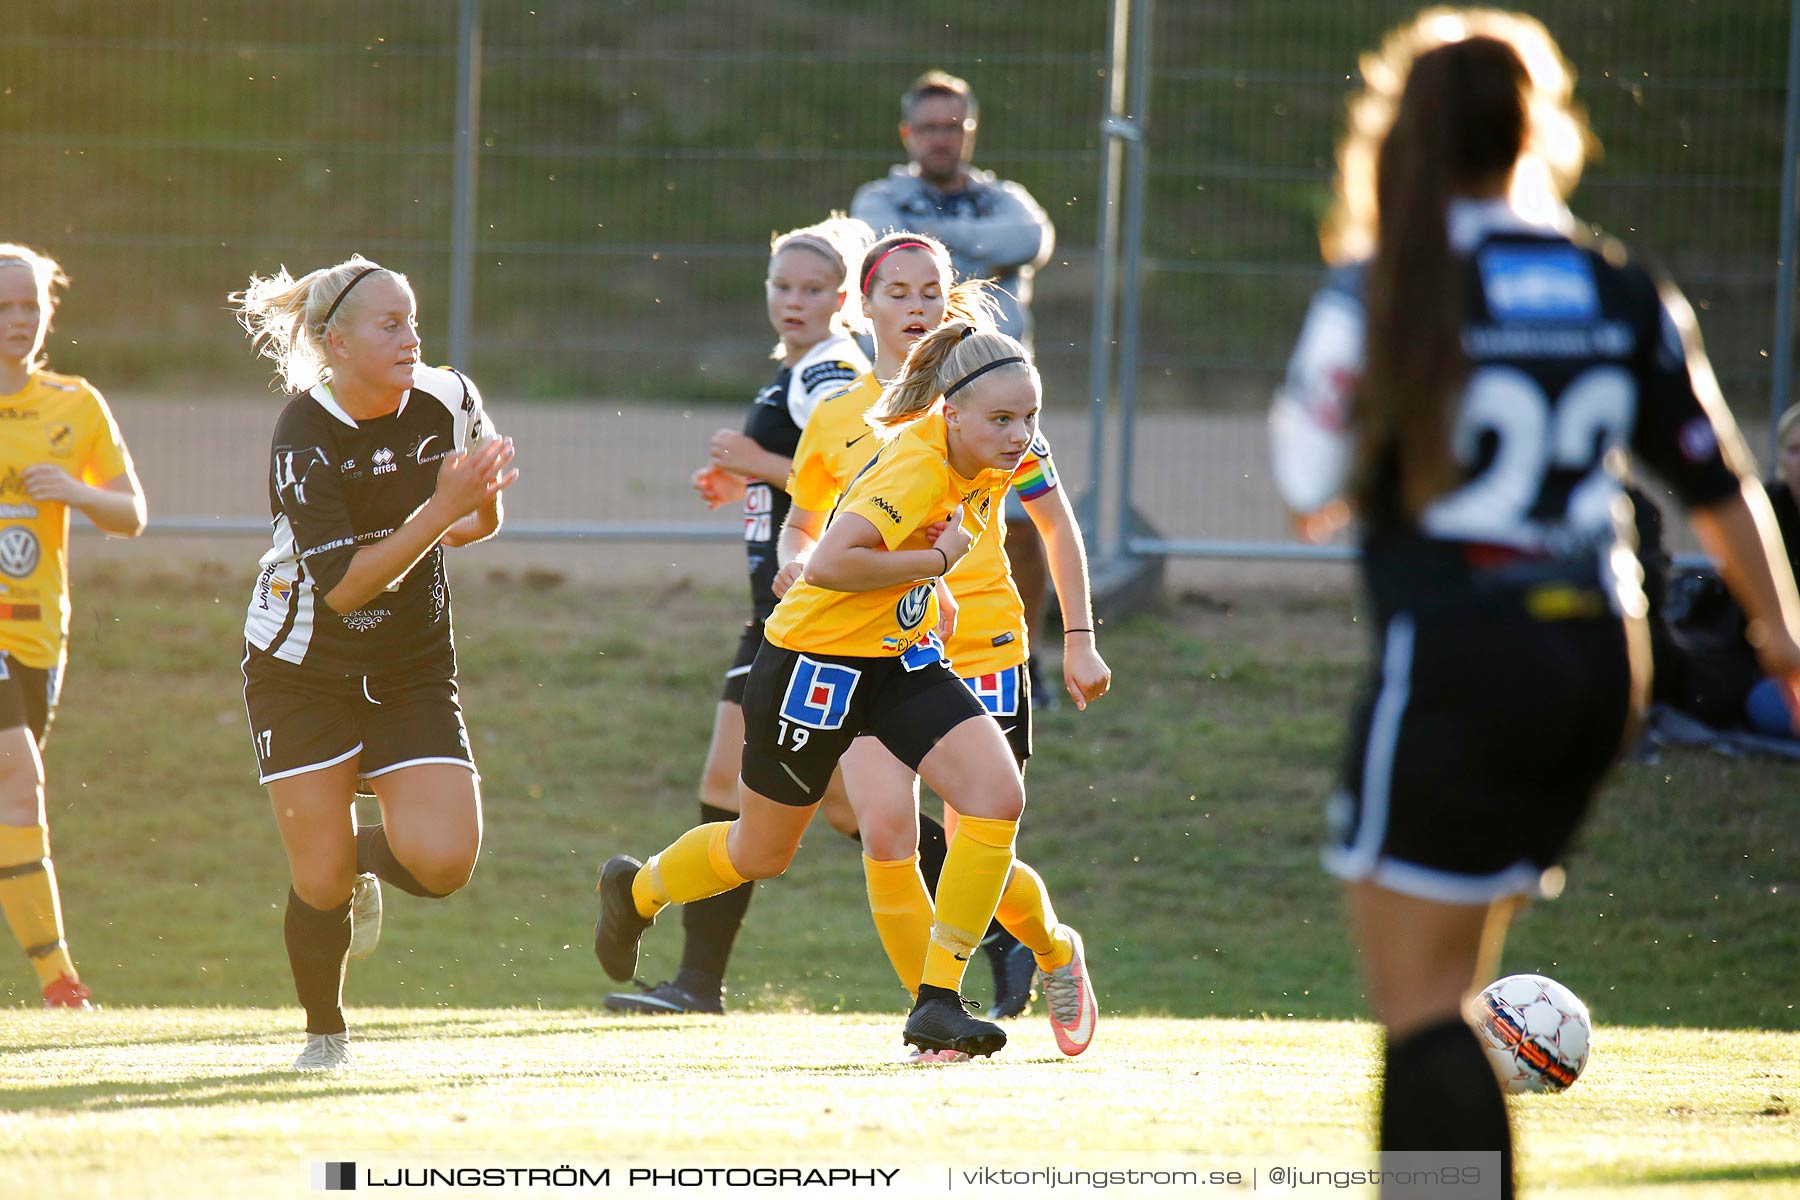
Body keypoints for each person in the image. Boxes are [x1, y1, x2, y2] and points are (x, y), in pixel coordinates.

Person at [1267, 9, 1800, 1197]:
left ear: (1401, 133)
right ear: (1540, 132)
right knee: (1453, 978)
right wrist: (1783, 637)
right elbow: (1718, 484)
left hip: (1463, 647)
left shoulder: (1391, 284)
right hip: (1605, 656)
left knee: (1418, 1010)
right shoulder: (1618, 284)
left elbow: (1308, 487)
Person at [597, 323, 1050, 1059]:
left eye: (1030, 416)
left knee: (996, 797)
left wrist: (930, 593)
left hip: (897, 662)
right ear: (952, 413)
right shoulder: (918, 467)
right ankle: (636, 889)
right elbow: (832, 565)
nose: (1019, 434)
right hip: (813, 666)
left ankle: (937, 1002)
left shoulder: (987, 461)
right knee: (760, 852)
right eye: (1003, 419)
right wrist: (934, 564)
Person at [775, 233, 1109, 1051]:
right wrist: (793, 563)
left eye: (932, 290)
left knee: (973, 840)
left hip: (982, 645)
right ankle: (936, 1018)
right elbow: (804, 524)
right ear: (864, 307)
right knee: (887, 831)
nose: (916, 306)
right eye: (899, 292)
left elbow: (1055, 523)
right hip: (876, 650)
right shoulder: (839, 412)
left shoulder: (999, 403)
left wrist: (1078, 637)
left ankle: (1054, 948)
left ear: (949, 301)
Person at [232, 255, 518, 1070]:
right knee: (317, 884)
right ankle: (326, 1034)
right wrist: (443, 505)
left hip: (410, 665)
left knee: (443, 862)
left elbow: (475, 526)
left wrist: (476, 493)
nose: (411, 338)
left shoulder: (448, 396)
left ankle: (359, 853)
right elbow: (347, 590)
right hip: (300, 667)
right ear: (335, 343)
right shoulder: (303, 433)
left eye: (414, 321)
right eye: (389, 325)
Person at [602, 217, 871, 1017]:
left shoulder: (829, 369)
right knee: (751, 787)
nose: (794, 300)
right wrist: (750, 486)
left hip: (812, 615)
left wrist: (758, 465)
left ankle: (1003, 935)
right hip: (778, 616)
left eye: (814, 288)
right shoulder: (795, 370)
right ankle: (697, 986)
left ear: (846, 297)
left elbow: (858, 476)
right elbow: (808, 476)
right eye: (783, 286)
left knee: (849, 807)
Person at [852, 70, 1060, 712]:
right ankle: (893, 653)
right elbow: (875, 244)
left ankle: (1024, 662)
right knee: (900, 526)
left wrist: (932, 249)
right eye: (929, 128)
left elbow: (1030, 241)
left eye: (954, 126)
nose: (942, 139)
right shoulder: (880, 195)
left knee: (1024, 528)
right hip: (915, 396)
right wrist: (976, 256)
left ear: (970, 131)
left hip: (998, 397)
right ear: (907, 134)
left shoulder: (1006, 197)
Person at [0, 244, 146, 1010]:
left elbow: (134, 515)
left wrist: (76, 494)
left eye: (31, 307)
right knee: (18, 776)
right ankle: (61, 985)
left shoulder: (74, 405)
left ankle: (56, 985)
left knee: (12, 805)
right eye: (4, 307)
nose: (19, 320)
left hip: (38, 637)